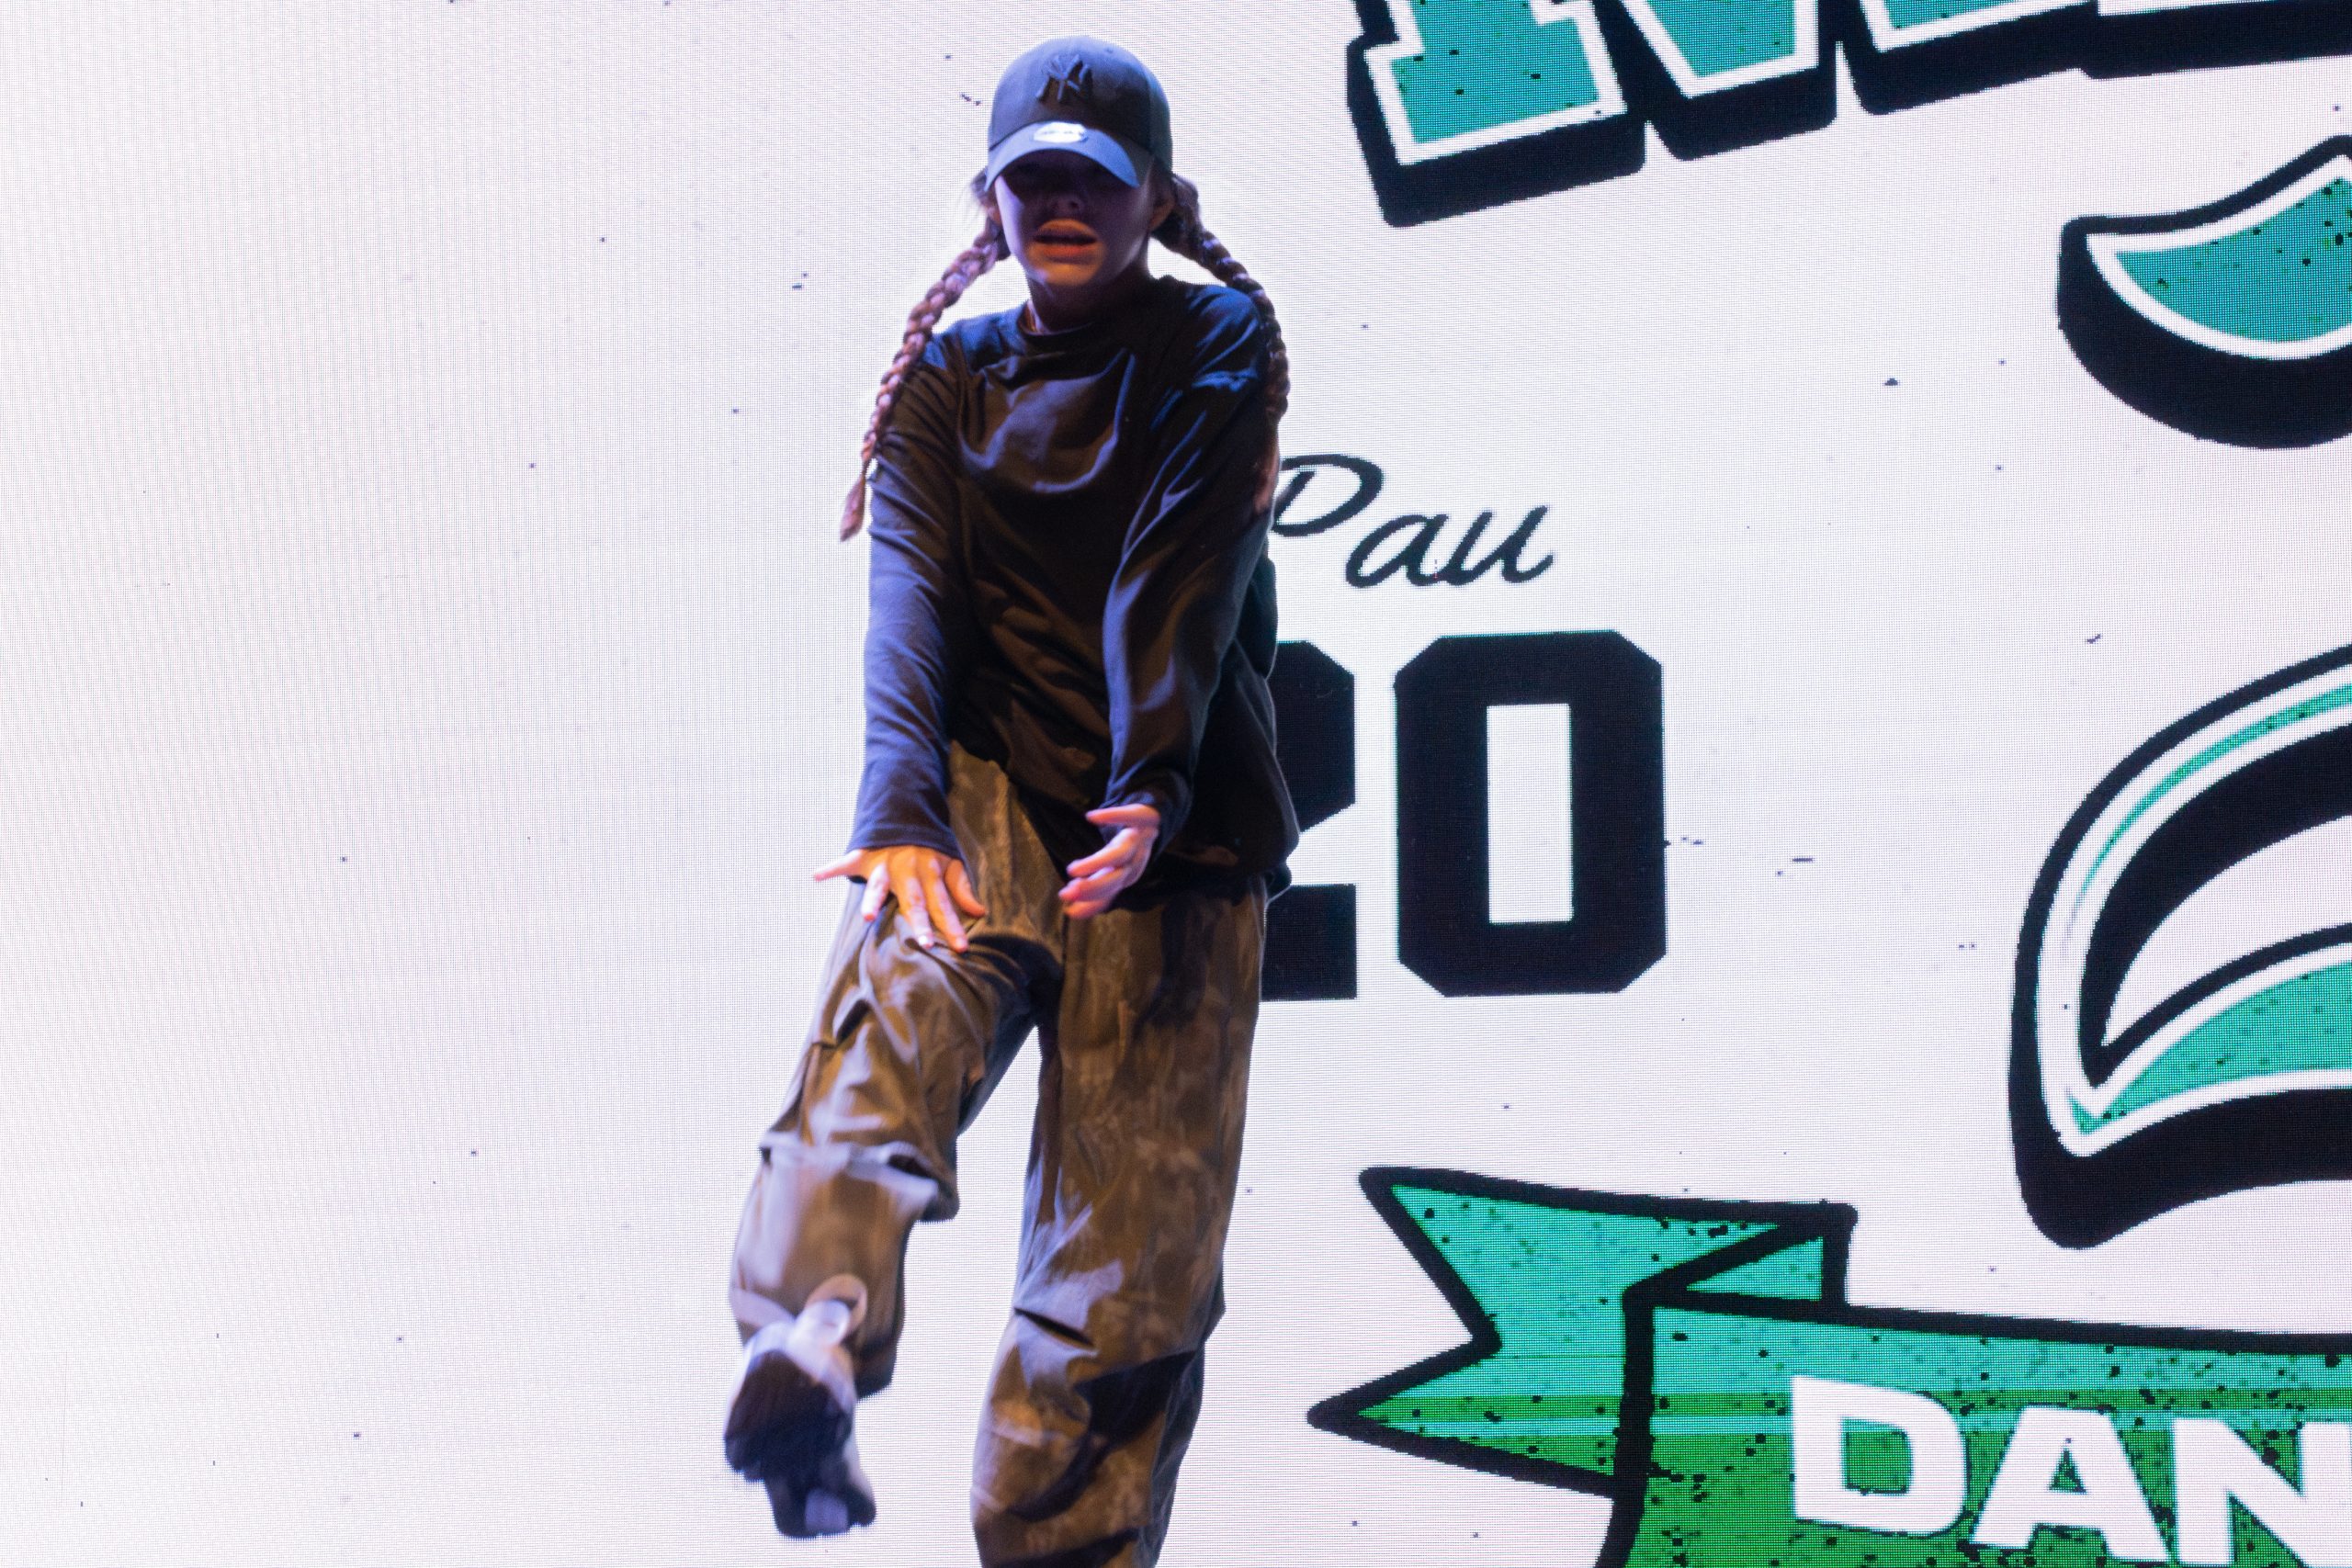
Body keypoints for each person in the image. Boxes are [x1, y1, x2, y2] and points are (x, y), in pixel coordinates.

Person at [723, 36, 1297, 1566]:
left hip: (1178, 833)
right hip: (985, 796)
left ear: (1157, 201)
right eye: (1032, 181)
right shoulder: (946, 378)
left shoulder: (1219, 338)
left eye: (1093, 184)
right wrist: (898, 809)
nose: (1061, 208)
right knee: (880, 1049)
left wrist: (1152, 781)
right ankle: (812, 1338)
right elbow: (910, 597)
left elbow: (1177, 567)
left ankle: (1056, 1549)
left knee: (1130, 1261)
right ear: (990, 199)